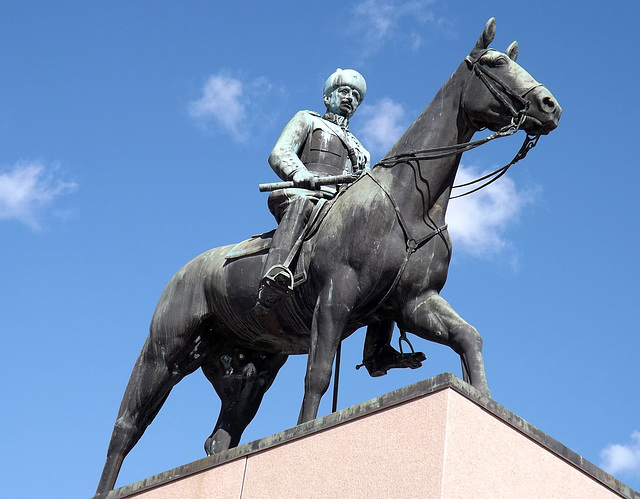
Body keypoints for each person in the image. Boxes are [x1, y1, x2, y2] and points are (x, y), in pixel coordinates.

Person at [256, 68, 425, 376]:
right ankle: (275, 271)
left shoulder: (361, 149)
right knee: (304, 204)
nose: (350, 99)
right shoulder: (308, 120)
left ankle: (378, 351)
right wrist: (298, 173)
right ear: (328, 97)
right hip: (301, 195)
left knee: (382, 269)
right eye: (345, 92)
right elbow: (279, 153)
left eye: (356, 96)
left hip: (337, 211)